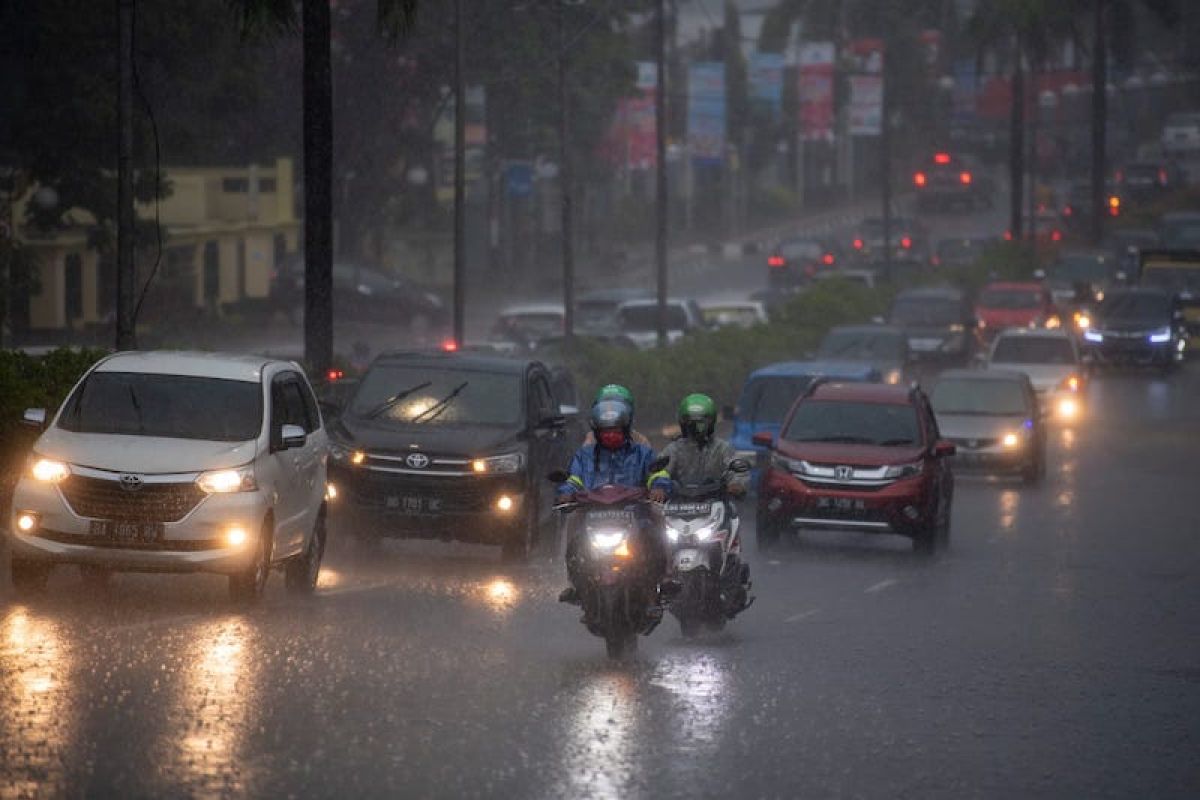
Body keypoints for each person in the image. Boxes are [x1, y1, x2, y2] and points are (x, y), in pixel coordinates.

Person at [557, 397, 672, 606]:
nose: (611, 436)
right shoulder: (584, 455)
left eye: (616, 431)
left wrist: (658, 488)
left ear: (626, 430)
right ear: (597, 432)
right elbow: (574, 479)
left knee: (657, 518)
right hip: (592, 513)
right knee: (573, 520)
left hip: (635, 512)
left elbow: (657, 473)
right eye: (605, 432)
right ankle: (574, 582)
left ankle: (665, 576)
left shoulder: (642, 452)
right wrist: (566, 493)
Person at [660, 393, 752, 613]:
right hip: (680, 507)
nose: (696, 428)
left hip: (715, 505)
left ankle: (729, 578)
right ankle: (660, 581)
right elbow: (659, 471)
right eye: (691, 423)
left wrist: (736, 484)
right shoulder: (674, 450)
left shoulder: (722, 448)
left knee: (731, 526)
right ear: (682, 423)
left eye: (701, 422)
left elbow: (736, 469)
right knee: (655, 541)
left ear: (711, 422)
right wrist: (656, 485)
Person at [581, 384, 651, 447]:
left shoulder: (639, 440)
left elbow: (649, 459)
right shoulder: (592, 440)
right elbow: (583, 458)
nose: (610, 411)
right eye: (606, 407)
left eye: (615, 407)